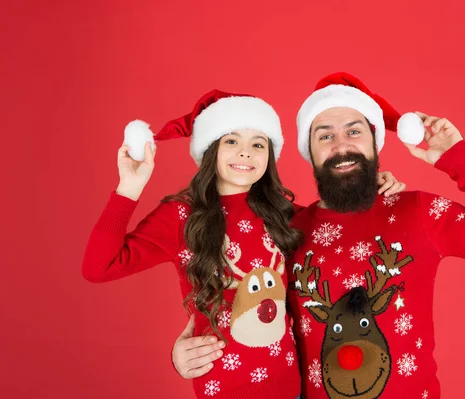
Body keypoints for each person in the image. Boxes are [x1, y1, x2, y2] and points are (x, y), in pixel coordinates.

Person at [171, 73, 465, 399]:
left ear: (374, 143)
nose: (341, 147)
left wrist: (456, 160)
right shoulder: (286, 232)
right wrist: (185, 352)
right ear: (311, 154)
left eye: (354, 131)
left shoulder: (419, 212)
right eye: (325, 137)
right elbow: (251, 317)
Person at [82, 88, 404, 399]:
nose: (245, 152)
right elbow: (98, 267)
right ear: (211, 149)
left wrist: (372, 188)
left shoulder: (282, 212)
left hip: (291, 389)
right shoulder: (182, 215)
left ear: (270, 155)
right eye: (232, 140)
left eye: (258, 144)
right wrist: (129, 188)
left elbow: (343, 225)